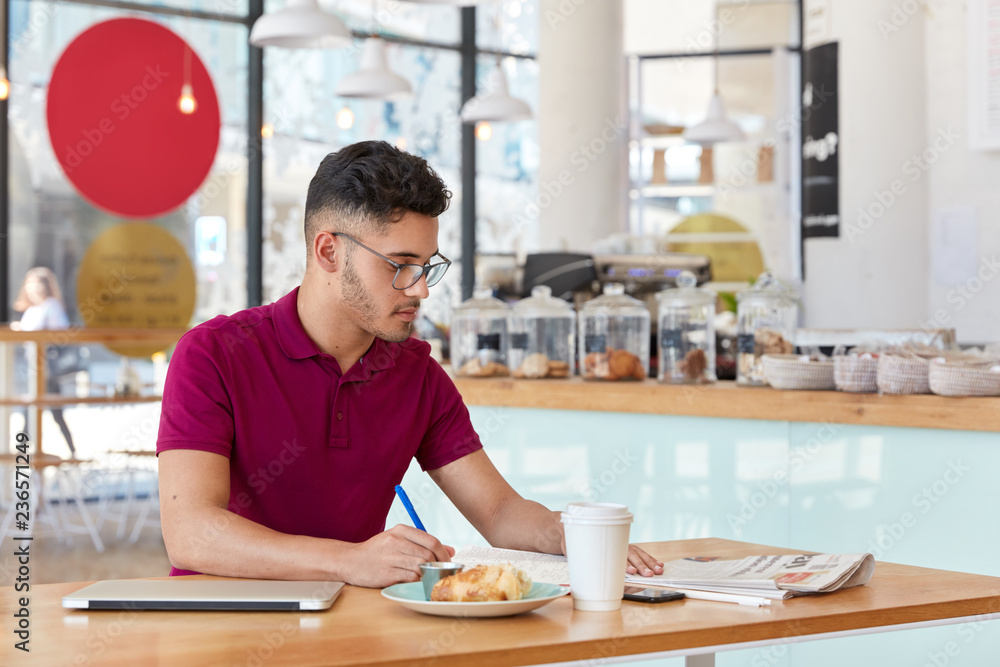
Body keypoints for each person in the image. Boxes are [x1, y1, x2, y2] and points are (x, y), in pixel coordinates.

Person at [157, 141, 663, 587]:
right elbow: (191, 532)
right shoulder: (212, 354)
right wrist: (349, 561)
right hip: (220, 624)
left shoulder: (417, 374)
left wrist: (573, 534)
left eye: (427, 267)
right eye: (400, 266)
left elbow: (499, 511)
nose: (420, 290)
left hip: (349, 629)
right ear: (329, 251)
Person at [12, 266, 76, 457]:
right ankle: (71, 452)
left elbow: (61, 334)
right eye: (30, 284)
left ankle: (22, 455)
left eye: (38, 284)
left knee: (38, 412)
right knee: (40, 412)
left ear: (46, 286)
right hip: (35, 368)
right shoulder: (33, 309)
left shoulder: (51, 306)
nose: (34, 289)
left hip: (47, 369)